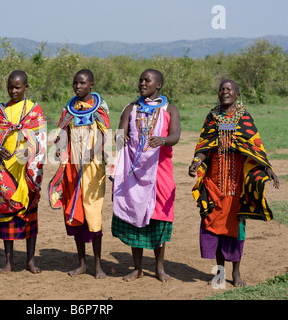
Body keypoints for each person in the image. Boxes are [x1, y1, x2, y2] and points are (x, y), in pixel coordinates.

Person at [188, 79, 279, 287]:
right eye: (221, 89)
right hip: (214, 181)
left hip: (237, 183)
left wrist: (267, 168)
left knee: (236, 227)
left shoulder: (244, 117)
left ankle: (236, 273)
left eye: (229, 89)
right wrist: (196, 162)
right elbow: (204, 145)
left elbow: (255, 146)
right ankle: (219, 273)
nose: (224, 92)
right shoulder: (212, 117)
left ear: (237, 94)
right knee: (214, 226)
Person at [111, 69, 181, 282]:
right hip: (133, 171)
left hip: (159, 171)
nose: (142, 83)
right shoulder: (131, 108)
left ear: (158, 85)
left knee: (159, 217)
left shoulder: (170, 109)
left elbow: (176, 136)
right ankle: (138, 268)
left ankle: (159, 268)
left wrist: (163, 140)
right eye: (140, 79)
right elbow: (120, 135)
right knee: (134, 215)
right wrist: (119, 139)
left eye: (147, 80)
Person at [48, 69, 110, 279]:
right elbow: (61, 133)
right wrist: (60, 147)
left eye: (82, 83)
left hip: (93, 169)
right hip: (73, 168)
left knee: (93, 214)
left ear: (91, 84)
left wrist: (93, 151)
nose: (78, 86)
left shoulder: (100, 108)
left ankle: (98, 265)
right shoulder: (69, 109)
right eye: (75, 83)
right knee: (77, 215)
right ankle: (82, 263)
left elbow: (105, 134)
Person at [0, 70, 46, 274]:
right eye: (10, 87)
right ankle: (9, 261)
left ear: (26, 88)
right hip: (5, 170)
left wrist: (28, 153)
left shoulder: (33, 110)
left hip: (27, 170)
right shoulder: (1, 111)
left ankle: (30, 261)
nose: (13, 90)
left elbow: (40, 139)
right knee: (7, 214)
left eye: (17, 87)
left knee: (29, 214)